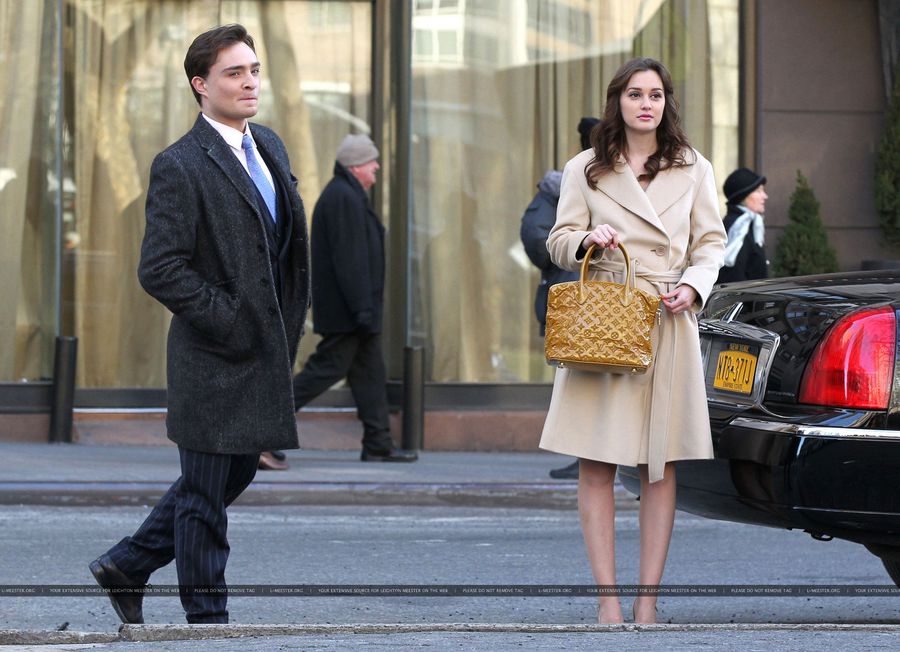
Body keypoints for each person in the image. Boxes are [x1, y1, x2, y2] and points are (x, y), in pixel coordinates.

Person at [88, 24, 310, 624]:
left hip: (262, 354)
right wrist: (230, 319)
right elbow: (159, 268)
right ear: (200, 85)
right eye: (234, 73)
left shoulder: (269, 144)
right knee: (205, 499)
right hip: (213, 357)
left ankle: (128, 564)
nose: (250, 82)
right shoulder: (179, 164)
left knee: (226, 478)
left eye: (254, 70)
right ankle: (207, 623)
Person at [539, 57, 726, 624]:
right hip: (607, 321)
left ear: (667, 104)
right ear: (617, 101)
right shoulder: (586, 167)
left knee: (658, 466)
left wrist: (693, 287)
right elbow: (557, 240)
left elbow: (711, 243)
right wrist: (585, 239)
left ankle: (647, 601)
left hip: (666, 319)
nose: (646, 104)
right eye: (635, 94)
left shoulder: (694, 167)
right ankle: (608, 600)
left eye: (656, 95)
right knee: (596, 463)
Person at [291, 134, 416, 462]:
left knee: (370, 376)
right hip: (350, 313)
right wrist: (362, 309)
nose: (376, 167)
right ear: (355, 166)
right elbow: (351, 260)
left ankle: (378, 443)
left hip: (358, 311)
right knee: (324, 371)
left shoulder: (348, 195)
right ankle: (262, 427)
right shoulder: (343, 198)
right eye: (371, 161)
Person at [520, 117, 599, 481]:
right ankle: (585, 456)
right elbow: (537, 237)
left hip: (605, 300)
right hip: (573, 298)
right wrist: (575, 253)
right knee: (580, 383)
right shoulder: (563, 185)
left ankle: (596, 456)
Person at [716, 167, 769, 283]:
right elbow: (733, 277)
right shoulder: (738, 227)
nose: (765, 196)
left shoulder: (750, 223)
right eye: (758, 191)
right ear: (743, 197)